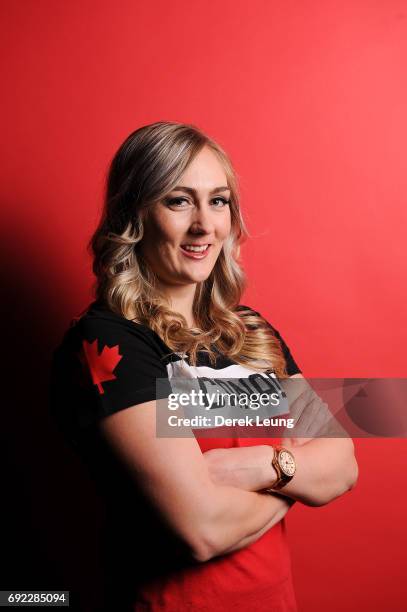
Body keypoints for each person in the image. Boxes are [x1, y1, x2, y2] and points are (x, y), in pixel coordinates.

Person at [49, 121, 359, 612]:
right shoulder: (107, 341)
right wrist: (297, 479)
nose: (205, 226)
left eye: (218, 201)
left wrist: (257, 466)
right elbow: (202, 529)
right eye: (178, 200)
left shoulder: (251, 331)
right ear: (136, 214)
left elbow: (342, 463)